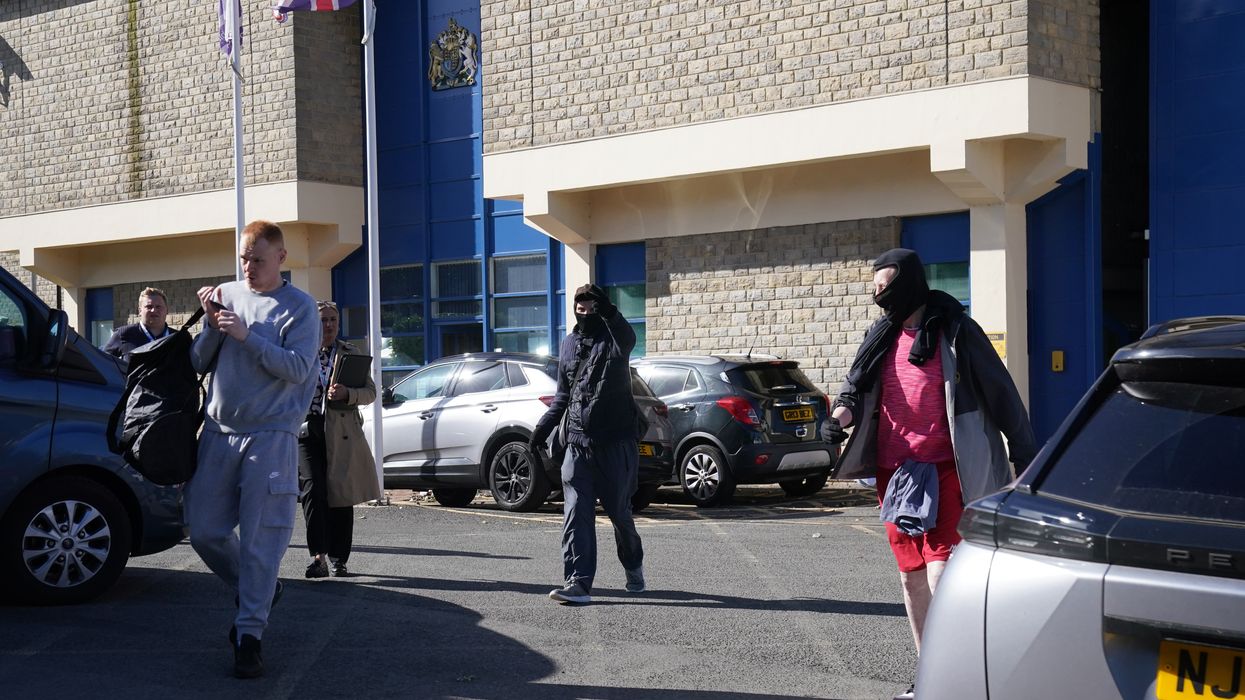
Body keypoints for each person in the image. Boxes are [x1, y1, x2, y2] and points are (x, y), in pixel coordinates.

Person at [822, 248, 1036, 700]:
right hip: (894, 472)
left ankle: (963, 673)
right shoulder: (880, 336)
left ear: (909, 285)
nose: (878, 295)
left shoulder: (956, 332)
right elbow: (854, 389)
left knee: (943, 576)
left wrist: (1025, 454)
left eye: (886, 287)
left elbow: (1002, 392)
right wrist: (838, 417)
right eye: (875, 287)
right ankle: (930, 678)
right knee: (911, 576)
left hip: (945, 468)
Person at [186, 220, 319, 679]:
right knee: (203, 529)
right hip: (218, 432)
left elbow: (300, 369)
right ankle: (257, 590)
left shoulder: (300, 309)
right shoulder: (227, 294)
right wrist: (210, 326)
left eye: (258, 259)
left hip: (271, 435)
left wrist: (248, 335)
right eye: (244, 258)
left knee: (263, 541)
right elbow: (197, 362)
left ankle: (249, 636)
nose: (248, 267)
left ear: (281, 258)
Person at [529, 283, 645, 605]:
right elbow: (564, 396)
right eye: (579, 302)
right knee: (577, 511)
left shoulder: (615, 339)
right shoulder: (568, 345)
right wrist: (542, 428)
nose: (584, 307)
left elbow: (628, 338)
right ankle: (577, 582)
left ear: (601, 304)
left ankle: (633, 565)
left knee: (620, 514)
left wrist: (608, 312)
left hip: (615, 443)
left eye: (590, 302)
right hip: (578, 445)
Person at [298, 300, 380, 579]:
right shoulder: (299, 351)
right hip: (306, 431)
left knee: (341, 496)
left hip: (341, 433)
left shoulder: (351, 353)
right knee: (313, 491)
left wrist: (348, 394)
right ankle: (318, 557)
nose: (329, 325)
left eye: (333, 319)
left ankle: (339, 559)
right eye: (323, 320)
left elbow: (371, 392)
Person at [103, 287, 173, 365]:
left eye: (158, 307)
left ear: (167, 310)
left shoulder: (178, 338)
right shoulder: (124, 334)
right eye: (149, 307)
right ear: (140, 311)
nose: (154, 310)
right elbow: (102, 364)